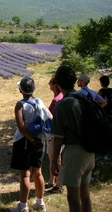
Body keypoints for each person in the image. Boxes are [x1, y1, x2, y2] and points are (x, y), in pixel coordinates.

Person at [51, 65, 95, 212]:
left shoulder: (62, 104)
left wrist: (53, 161)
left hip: (74, 152)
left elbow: (58, 138)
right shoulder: (84, 97)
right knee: (85, 195)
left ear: (57, 82)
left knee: (73, 198)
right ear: (75, 80)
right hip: (89, 149)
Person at [10, 76, 52, 212]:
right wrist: (37, 140)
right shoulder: (39, 101)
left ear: (20, 90)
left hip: (24, 142)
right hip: (39, 141)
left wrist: (31, 140)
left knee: (24, 175)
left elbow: (21, 127)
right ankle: (40, 202)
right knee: (38, 173)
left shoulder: (20, 104)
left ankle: (23, 206)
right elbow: (49, 118)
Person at [45, 76, 63, 193]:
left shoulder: (56, 100)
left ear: (55, 85)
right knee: (52, 157)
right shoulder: (60, 97)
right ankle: (52, 181)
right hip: (56, 133)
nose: (49, 84)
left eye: (50, 82)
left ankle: (58, 185)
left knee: (55, 159)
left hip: (55, 133)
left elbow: (52, 117)